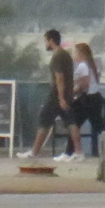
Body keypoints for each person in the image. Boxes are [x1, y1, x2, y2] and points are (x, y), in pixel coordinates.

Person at [30, 28, 78, 160]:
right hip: (66, 94)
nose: (45, 44)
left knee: (44, 119)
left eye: (46, 40)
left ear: (51, 40)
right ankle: (78, 152)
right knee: (70, 121)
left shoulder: (57, 56)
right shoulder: (65, 55)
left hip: (57, 95)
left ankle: (34, 152)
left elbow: (59, 78)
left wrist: (61, 97)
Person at [70, 41, 105, 154]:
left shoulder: (82, 66)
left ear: (81, 54)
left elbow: (84, 84)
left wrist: (73, 92)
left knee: (73, 123)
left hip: (87, 99)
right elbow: (97, 77)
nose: (73, 56)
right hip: (96, 98)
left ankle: (74, 152)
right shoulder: (92, 65)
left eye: (75, 53)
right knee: (99, 126)